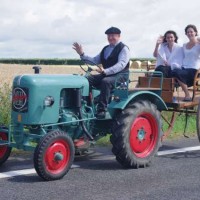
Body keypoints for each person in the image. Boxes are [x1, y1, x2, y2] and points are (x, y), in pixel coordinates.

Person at [73, 27, 130, 118]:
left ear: (119, 36)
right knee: (87, 79)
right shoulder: (106, 49)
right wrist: (82, 54)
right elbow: (94, 60)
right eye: (108, 36)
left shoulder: (124, 49)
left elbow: (121, 64)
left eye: (113, 35)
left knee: (106, 82)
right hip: (107, 74)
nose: (110, 37)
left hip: (121, 75)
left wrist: (106, 71)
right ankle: (86, 105)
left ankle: (102, 110)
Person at [172, 24, 200, 101]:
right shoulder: (184, 45)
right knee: (171, 71)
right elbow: (180, 57)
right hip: (184, 68)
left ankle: (187, 95)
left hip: (194, 70)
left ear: (195, 32)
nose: (189, 33)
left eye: (191, 32)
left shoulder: (198, 45)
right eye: (188, 32)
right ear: (186, 34)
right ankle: (170, 95)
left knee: (177, 73)